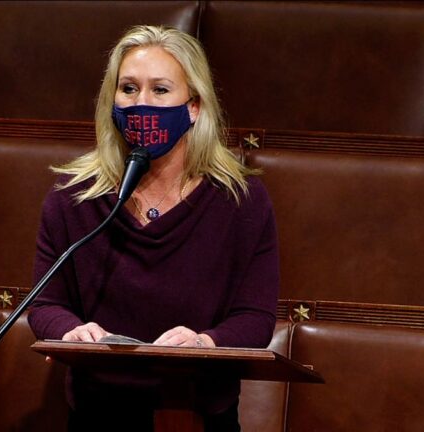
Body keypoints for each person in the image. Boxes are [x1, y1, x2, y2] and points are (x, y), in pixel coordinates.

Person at [28, 25, 279, 432]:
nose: (141, 103)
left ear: (194, 106)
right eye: (128, 88)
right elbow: (45, 304)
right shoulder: (73, 196)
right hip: (98, 414)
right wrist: (70, 332)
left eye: (160, 90)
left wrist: (204, 343)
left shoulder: (240, 199)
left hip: (199, 416)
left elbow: (255, 317)